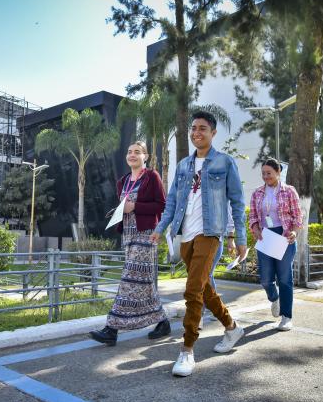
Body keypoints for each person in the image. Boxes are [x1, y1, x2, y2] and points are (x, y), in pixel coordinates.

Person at [150, 111, 247, 377]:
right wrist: (160, 228)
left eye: (202, 128)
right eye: (193, 128)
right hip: (185, 235)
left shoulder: (225, 162)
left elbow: (238, 203)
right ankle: (232, 327)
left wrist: (239, 238)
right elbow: (172, 201)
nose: (196, 132)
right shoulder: (183, 165)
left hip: (210, 233)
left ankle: (187, 349)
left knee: (192, 289)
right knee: (203, 287)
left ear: (213, 133)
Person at [89, 141, 170, 346]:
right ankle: (162, 321)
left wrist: (135, 207)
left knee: (128, 279)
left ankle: (111, 329)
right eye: (129, 151)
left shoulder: (152, 176)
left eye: (137, 152)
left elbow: (161, 204)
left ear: (145, 157)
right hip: (128, 235)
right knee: (143, 281)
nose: (132, 155)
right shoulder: (123, 181)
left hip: (146, 235)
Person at [249, 158, 302, 331]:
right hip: (265, 236)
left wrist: (294, 232)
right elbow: (253, 216)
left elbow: (297, 216)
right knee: (265, 279)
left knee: (285, 278)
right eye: (263, 173)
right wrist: (255, 228)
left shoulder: (289, 191)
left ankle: (286, 316)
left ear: (278, 172)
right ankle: (274, 298)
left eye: (269, 173)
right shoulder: (257, 193)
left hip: (284, 236)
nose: (266, 176)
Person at [199, 204, 235, 330]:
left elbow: (229, 214)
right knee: (204, 275)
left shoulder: (219, 193)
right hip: (194, 238)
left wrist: (231, 238)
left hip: (214, 239)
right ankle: (215, 307)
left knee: (205, 275)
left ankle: (199, 313)